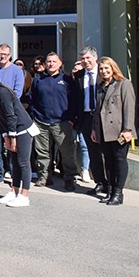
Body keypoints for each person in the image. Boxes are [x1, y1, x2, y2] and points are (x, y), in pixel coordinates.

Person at [0, 67, 38, 208]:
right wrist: (6, 136)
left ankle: (24, 196)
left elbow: (10, 115)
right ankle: (14, 191)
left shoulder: (3, 92)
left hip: (23, 129)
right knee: (14, 162)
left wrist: (11, 137)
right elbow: (1, 118)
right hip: (11, 130)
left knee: (23, 162)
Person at [29, 52, 79, 191]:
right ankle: (45, 176)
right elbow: (32, 99)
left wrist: (71, 118)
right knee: (43, 152)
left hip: (62, 123)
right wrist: (35, 115)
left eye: (54, 61)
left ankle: (69, 178)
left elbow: (75, 100)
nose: (51, 64)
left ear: (60, 63)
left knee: (67, 152)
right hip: (41, 122)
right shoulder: (38, 80)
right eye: (49, 61)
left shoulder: (68, 80)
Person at [94, 56, 137, 206]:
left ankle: (118, 193)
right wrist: (95, 129)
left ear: (113, 68)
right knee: (109, 162)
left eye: (106, 68)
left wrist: (127, 129)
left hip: (119, 130)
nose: (104, 71)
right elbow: (97, 111)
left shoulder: (123, 84)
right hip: (103, 130)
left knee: (119, 161)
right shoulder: (100, 87)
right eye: (101, 68)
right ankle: (111, 190)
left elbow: (129, 108)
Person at [74, 46, 108, 197]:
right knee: (93, 153)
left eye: (88, 58)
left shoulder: (104, 74)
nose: (85, 61)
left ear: (96, 57)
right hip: (87, 118)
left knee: (107, 152)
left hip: (104, 118)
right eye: (83, 59)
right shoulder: (79, 75)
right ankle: (100, 183)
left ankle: (112, 184)